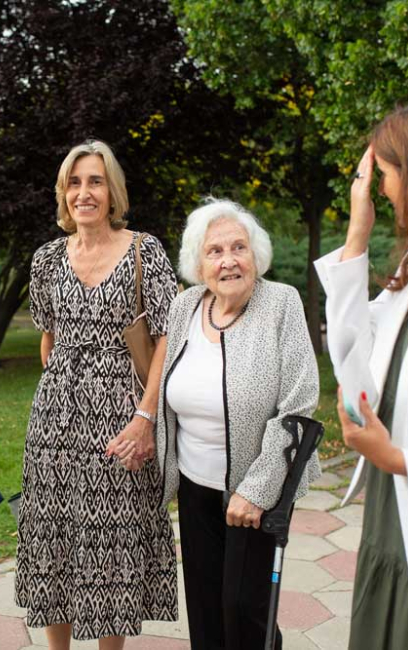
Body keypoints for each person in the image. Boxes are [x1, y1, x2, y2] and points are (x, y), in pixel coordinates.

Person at [14, 140, 178, 649]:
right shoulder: (46, 259)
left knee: (113, 540)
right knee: (54, 539)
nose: (84, 192)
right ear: (63, 193)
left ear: (113, 192)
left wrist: (145, 416)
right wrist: (67, 390)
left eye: (96, 181)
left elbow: (168, 336)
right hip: (54, 425)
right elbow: (48, 339)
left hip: (122, 417)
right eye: (75, 182)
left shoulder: (144, 251)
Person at [156, 198, 320, 650]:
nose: (228, 260)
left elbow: (299, 404)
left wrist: (258, 490)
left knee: (246, 613)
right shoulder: (186, 306)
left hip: (255, 490)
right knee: (206, 610)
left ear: (255, 254)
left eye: (238, 248)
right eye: (215, 251)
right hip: (195, 486)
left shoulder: (281, 303)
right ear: (199, 264)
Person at [315, 107, 408, 650]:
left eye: (386, 173)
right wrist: (357, 232)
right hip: (390, 504)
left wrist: (395, 457)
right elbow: (353, 353)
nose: (382, 188)